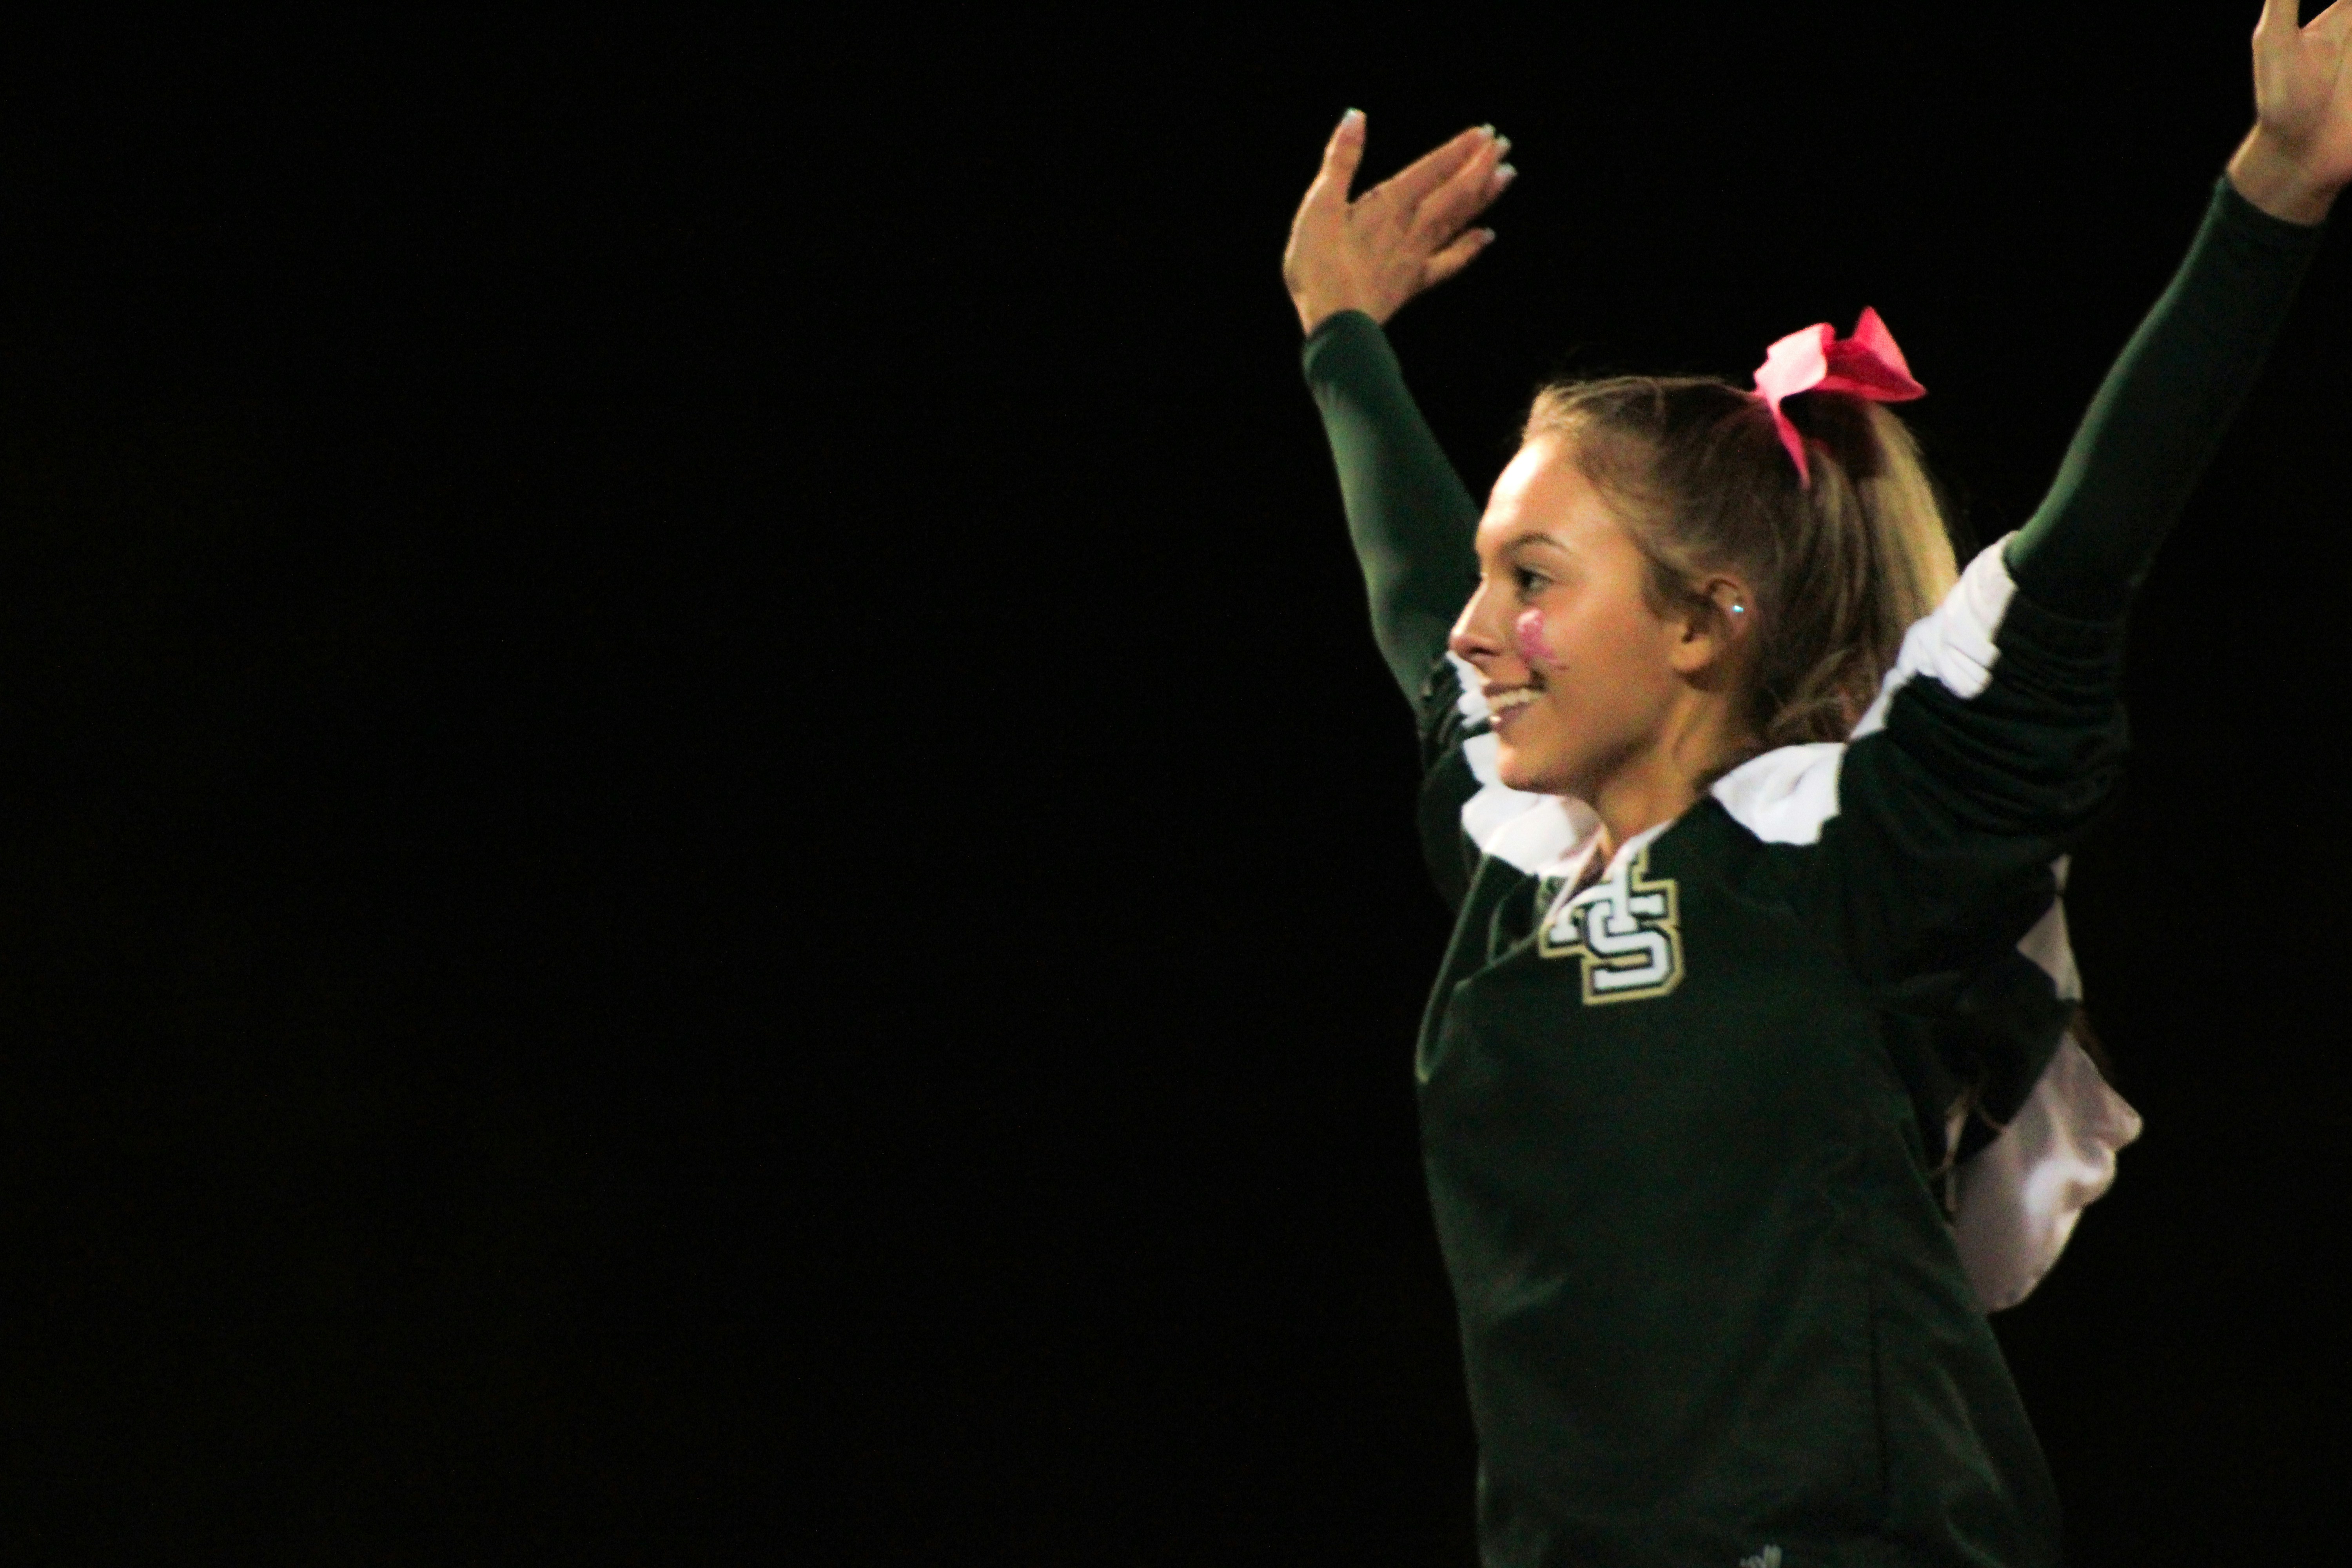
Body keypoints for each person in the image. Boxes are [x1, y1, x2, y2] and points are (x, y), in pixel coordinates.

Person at [1282, 4, 2347, 1563]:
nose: (1467, 628)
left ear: (1708, 620)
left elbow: (2091, 543)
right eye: (1484, 572)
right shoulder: (1512, 864)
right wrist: (1338, 333)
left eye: (1531, 576)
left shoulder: (1857, 851)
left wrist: (2273, 194)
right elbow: (1405, 602)